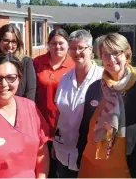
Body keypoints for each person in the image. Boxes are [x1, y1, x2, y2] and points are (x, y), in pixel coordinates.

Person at [77, 33, 136, 178]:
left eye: (116, 53)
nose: (111, 59)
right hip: (91, 165)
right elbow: (85, 126)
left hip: (126, 169)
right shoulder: (94, 88)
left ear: (126, 54)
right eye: (105, 55)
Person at [53, 30, 103, 178]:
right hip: (62, 150)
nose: (77, 52)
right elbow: (59, 112)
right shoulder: (64, 79)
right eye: (73, 48)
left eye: (81, 47)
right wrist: (55, 143)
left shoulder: (103, 79)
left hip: (89, 154)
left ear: (90, 49)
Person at [33, 28, 74, 177]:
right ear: (48, 44)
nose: (57, 47)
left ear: (68, 44)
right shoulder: (37, 62)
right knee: (42, 168)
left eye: (61, 43)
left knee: (61, 170)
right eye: (53, 43)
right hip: (40, 124)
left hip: (64, 127)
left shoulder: (74, 65)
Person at [0, 24, 36, 101]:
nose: (10, 45)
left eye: (14, 41)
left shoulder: (26, 62)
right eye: (6, 40)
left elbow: (30, 92)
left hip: (20, 109)